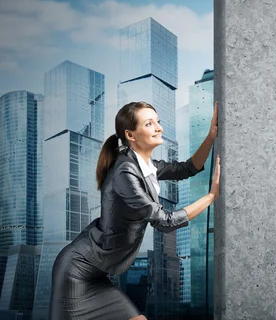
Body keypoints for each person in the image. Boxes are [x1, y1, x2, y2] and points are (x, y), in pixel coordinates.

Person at [49, 101, 221, 320]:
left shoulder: (146, 166)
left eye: (157, 121)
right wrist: (211, 196)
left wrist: (210, 137)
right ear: (131, 135)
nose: (159, 128)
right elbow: (164, 221)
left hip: (99, 273)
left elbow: (187, 168)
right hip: (76, 272)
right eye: (149, 124)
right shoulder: (125, 171)